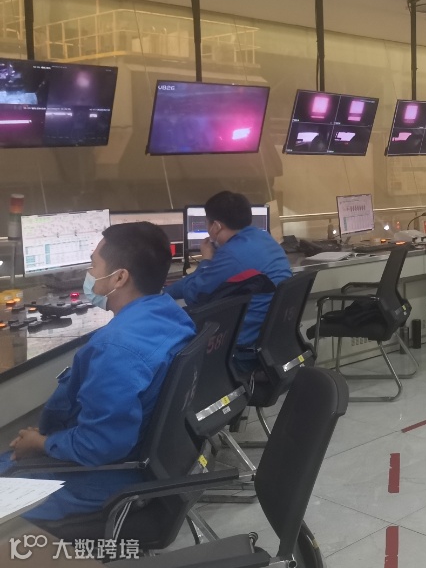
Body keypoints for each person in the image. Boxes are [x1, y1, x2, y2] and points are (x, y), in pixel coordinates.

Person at [0, 223, 196, 521]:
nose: (89, 274)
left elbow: (99, 444)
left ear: (119, 277)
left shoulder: (115, 348)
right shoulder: (171, 316)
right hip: (155, 462)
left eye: (93, 265)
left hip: (106, 477)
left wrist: (41, 443)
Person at [165, 191, 291, 374]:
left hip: (244, 348)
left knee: (173, 329)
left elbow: (196, 293)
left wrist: (206, 260)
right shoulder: (263, 238)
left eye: (208, 223)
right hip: (271, 341)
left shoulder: (232, 254)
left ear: (216, 226)